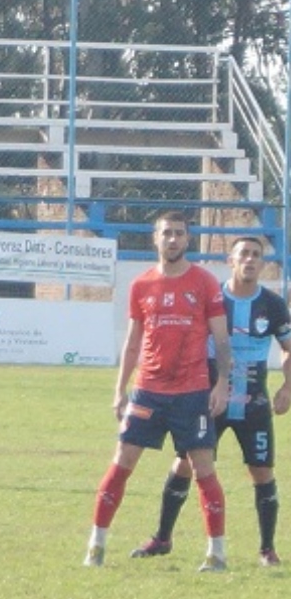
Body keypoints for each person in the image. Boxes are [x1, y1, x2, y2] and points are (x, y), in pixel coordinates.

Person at [130, 236, 291, 567]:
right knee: (185, 464)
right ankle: (162, 537)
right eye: (243, 254)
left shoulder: (273, 305)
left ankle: (266, 549)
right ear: (230, 261)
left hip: (254, 403)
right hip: (208, 400)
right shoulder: (210, 296)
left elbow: (288, 347)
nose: (249, 260)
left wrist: (287, 387)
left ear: (262, 264)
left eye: (256, 255)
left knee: (262, 471)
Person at [84, 211, 231, 572]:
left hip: (192, 391)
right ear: (155, 238)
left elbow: (222, 340)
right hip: (147, 390)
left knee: (203, 468)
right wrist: (120, 391)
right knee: (122, 462)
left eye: (179, 234)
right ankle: (96, 545)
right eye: (167, 233)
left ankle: (216, 553)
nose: (173, 240)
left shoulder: (205, 283)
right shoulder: (141, 285)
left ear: (188, 239)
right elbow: (133, 342)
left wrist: (222, 383)